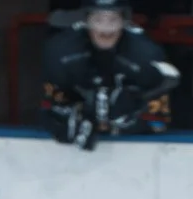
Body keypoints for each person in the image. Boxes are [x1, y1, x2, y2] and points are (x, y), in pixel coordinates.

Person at [42, 2, 179, 146]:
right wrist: (71, 120)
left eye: (113, 20)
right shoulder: (61, 51)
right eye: (98, 20)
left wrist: (129, 121)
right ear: (86, 21)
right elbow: (49, 109)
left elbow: (159, 121)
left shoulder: (146, 55)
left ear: (124, 21)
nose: (106, 30)